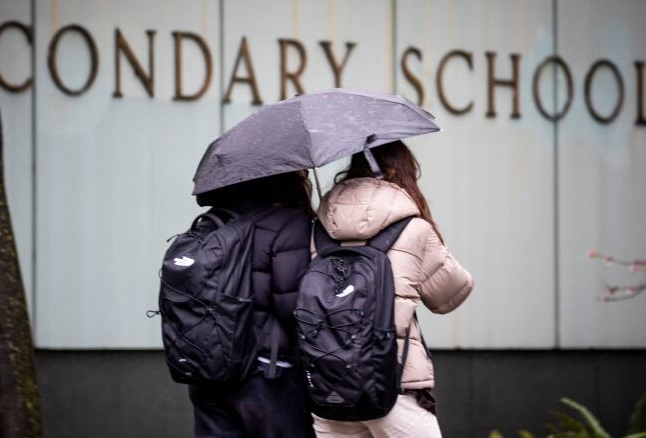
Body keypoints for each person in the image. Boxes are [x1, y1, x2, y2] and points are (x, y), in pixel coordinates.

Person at [310, 141, 474, 437]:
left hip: (329, 385)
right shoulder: (413, 227)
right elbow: (449, 295)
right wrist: (432, 237)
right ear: (404, 171)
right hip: (393, 384)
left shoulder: (318, 228)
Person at [189, 171, 316, 438]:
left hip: (208, 370)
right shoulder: (290, 223)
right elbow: (292, 307)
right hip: (267, 375)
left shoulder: (210, 223)